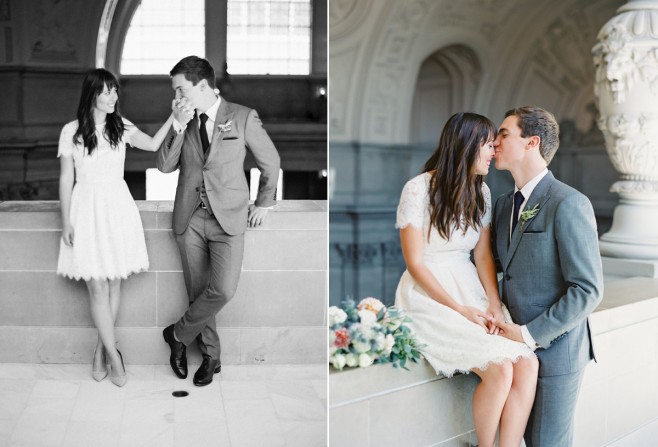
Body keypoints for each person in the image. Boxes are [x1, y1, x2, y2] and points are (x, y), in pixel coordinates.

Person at [395, 112, 539, 447]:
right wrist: (460, 309)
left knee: (527, 362)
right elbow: (415, 263)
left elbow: (483, 256)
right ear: (467, 146)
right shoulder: (417, 189)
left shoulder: (483, 193)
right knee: (500, 369)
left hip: (470, 287)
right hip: (429, 294)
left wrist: (493, 302)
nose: (494, 151)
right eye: (489, 144)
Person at [157, 56, 280, 386]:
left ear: (202, 86)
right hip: (190, 218)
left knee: (223, 290)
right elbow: (165, 166)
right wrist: (178, 125)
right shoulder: (182, 119)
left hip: (229, 217)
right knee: (198, 293)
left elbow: (271, 162)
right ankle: (212, 357)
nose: (177, 98)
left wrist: (264, 203)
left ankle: (177, 335)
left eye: (181, 90)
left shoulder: (241, 117)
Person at [490, 106, 604, 446]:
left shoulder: (568, 203)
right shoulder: (502, 205)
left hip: (555, 351)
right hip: (510, 352)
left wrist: (527, 334)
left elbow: (587, 290)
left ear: (532, 142)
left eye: (504, 134)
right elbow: (497, 268)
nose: (494, 142)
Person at [57, 68, 174, 387]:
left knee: (113, 282)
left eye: (115, 91)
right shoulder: (71, 131)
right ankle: (114, 354)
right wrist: (66, 219)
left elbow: (151, 146)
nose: (113, 97)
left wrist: (174, 118)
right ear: (92, 94)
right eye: (107, 91)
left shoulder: (121, 126)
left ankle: (100, 350)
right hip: (85, 208)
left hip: (116, 206)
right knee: (96, 284)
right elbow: (67, 178)